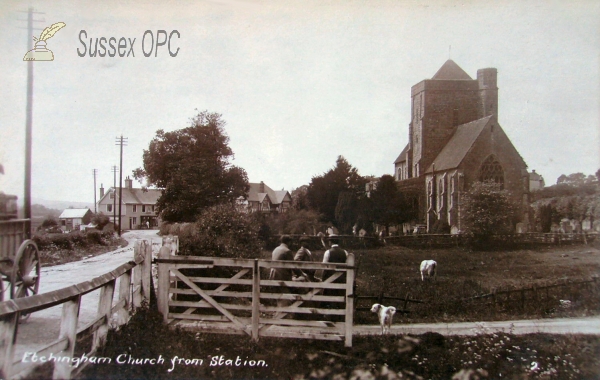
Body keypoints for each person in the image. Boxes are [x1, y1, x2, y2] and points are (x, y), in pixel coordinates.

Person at [320, 235, 350, 320]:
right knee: (341, 297)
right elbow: (347, 266)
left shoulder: (328, 252)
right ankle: (341, 316)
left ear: (330, 242)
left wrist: (323, 279)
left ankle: (330, 316)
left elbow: (324, 266)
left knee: (330, 297)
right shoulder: (345, 252)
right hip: (342, 279)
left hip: (331, 279)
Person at [269, 235, 294, 309]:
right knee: (286, 298)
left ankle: (279, 313)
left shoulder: (276, 249)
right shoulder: (287, 251)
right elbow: (293, 266)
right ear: (289, 242)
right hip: (282, 277)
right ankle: (283, 316)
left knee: (279, 297)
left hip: (274, 275)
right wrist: (302, 274)